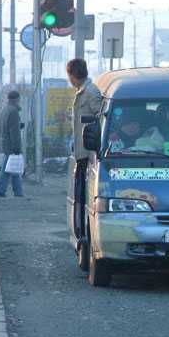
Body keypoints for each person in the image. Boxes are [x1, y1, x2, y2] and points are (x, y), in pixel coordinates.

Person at [67, 59, 102, 236]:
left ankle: (85, 234)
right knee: (79, 198)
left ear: (73, 75)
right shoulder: (82, 91)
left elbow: (100, 118)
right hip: (81, 153)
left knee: (85, 198)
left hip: (88, 154)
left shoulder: (91, 92)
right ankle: (81, 233)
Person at [0, 90, 23, 198]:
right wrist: (17, 147)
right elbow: (14, 132)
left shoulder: (4, 109)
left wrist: (18, 125)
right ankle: (5, 190)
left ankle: (16, 191)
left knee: (10, 168)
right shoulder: (13, 111)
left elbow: (4, 126)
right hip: (11, 145)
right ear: (17, 99)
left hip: (4, 142)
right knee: (10, 169)